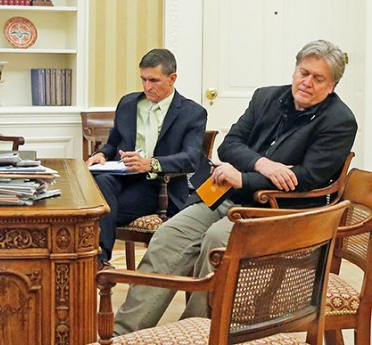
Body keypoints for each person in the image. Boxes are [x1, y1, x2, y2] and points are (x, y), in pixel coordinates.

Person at [113, 39, 358, 336]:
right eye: (303, 72)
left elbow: (308, 178)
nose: (306, 82)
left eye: (318, 78)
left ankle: (198, 334)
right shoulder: (266, 97)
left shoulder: (340, 121)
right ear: (295, 70)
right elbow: (230, 145)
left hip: (284, 214)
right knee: (168, 236)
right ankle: (122, 334)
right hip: (228, 199)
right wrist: (262, 164)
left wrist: (245, 178)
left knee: (217, 241)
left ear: (332, 85)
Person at [86, 48, 208, 270]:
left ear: (172, 79)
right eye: (143, 79)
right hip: (121, 178)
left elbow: (190, 158)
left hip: (159, 186)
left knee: (96, 212)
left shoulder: (193, 113)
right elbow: (113, 142)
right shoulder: (128, 104)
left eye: (154, 80)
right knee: (101, 186)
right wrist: (100, 155)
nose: (146, 87)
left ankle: (97, 260)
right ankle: (99, 262)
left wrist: (151, 163)